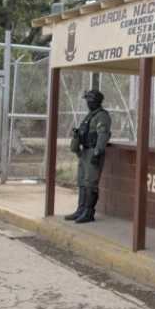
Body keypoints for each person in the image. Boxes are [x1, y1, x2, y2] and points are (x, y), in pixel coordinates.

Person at [65, 89, 111, 224]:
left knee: (91, 183)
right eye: (87, 101)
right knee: (82, 181)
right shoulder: (90, 115)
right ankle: (81, 209)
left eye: (90, 101)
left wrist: (97, 153)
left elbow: (103, 135)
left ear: (97, 101)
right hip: (84, 152)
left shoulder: (101, 116)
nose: (88, 103)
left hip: (93, 151)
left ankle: (89, 212)